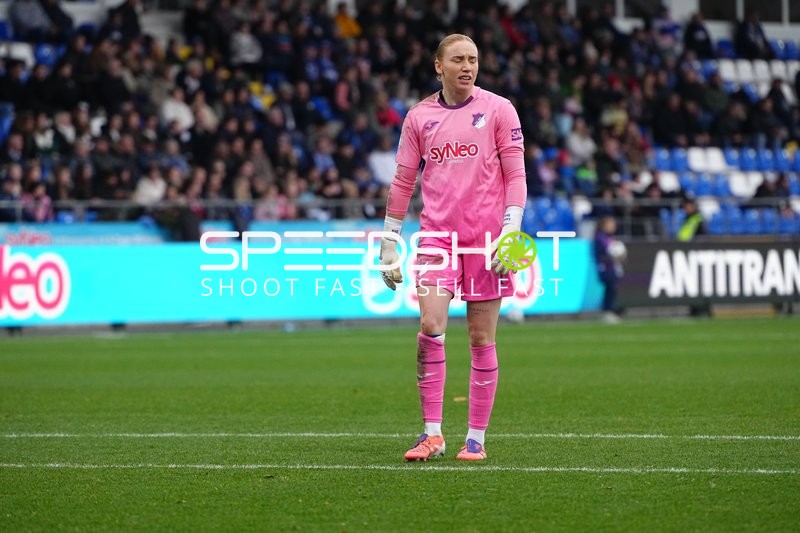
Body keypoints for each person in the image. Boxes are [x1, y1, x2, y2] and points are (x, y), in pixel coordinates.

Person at [379, 34, 526, 462]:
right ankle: (432, 434)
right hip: (437, 238)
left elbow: (516, 175)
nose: (467, 66)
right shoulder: (419, 117)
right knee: (430, 324)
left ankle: (475, 438)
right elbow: (403, 180)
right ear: (438, 66)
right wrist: (389, 241)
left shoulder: (499, 108)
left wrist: (511, 231)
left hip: (487, 240)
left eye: (473, 59)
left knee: (481, 337)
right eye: (458, 59)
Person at [594, 216, 624, 324]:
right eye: (610, 224)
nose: (613, 226)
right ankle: (608, 311)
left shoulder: (608, 237)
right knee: (610, 288)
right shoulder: (600, 237)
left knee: (612, 289)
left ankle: (610, 310)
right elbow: (605, 252)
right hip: (605, 267)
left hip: (611, 267)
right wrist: (615, 254)